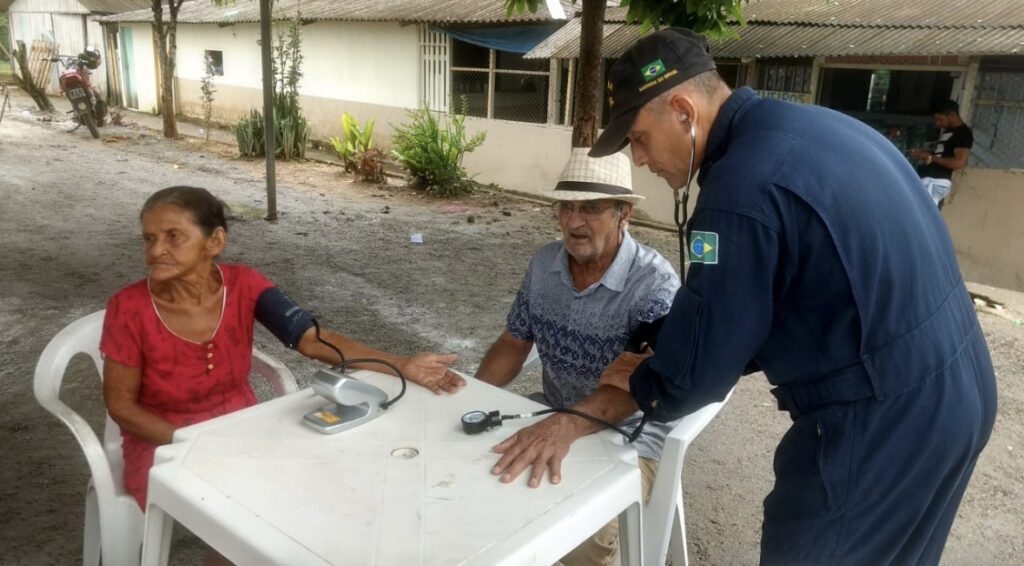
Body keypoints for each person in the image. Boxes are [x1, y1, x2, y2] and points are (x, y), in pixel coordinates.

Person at [589, 28, 997, 566]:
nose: (639, 160)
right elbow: (761, 295)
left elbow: (701, 372)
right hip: (958, 390)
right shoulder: (814, 128)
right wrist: (668, 337)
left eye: (638, 137)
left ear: (684, 113)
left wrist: (645, 381)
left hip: (881, 422)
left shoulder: (740, 191)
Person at [101, 186, 464, 564]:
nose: (156, 250)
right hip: (163, 441)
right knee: (239, 510)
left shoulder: (244, 284)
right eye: (149, 239)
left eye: (173, 236)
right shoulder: (128, 309)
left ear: (215, 241)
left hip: (242, 425)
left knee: (318, 482)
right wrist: (191, 442)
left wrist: (402, 363)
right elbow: (122, 407)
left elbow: (312, 340)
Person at [477, 148, 680, 565]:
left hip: (629, 437)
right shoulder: (544, 265)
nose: (573, 222)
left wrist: (564, 426)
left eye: (590, 209)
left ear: (624, 213)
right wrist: (472, 395)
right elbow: (515, 342)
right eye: (565, 208)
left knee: (584, 536)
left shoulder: (654, 284)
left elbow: (638, 389)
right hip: (552, 413)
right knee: (476, 476)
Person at [910, 99, 974, 208]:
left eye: (940, 119)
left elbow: (958, 163)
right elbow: (942, 155)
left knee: (925, 215)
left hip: (935, 181)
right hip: (929, 179)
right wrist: (925, 155)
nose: (938, 123)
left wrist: (931, 157)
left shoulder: (963, 133)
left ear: (952, 115)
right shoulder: (949, 131)